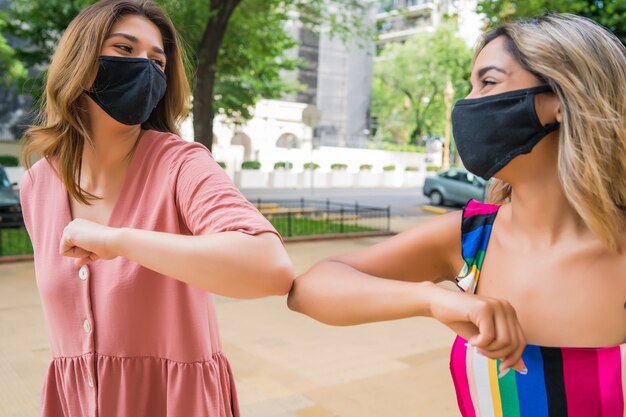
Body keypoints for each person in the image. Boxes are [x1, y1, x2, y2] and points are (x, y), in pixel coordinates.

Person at [289, 13, 626, 416]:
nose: (467, 105)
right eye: (470, 85)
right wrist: (432, 300)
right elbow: (308, 290)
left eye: (488, 82)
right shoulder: (469, 238)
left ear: (562, 100)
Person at [19, 1, 293, 416]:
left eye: (157, 61)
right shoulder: (36, 185)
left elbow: (269, 269)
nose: (145, 67)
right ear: (80, 60)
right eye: (125, 50)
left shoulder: (182, 164)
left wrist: (119, 241)